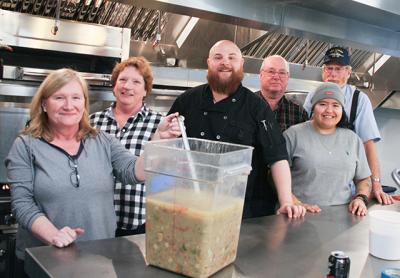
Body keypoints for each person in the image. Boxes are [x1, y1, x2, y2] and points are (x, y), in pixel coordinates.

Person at [5, 69, 180, 273]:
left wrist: (159, 139)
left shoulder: (102, 140)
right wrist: (54, 235)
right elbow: (22, 203)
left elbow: (134, 172)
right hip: (45, 258)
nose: (69, 105)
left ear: (84, 103)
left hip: (99, 255)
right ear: (44, 104)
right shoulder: (25, 145)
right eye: (59, 97)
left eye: (76, 97)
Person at [168, 40, 306, 219]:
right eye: (218, 57)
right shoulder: (187, 101)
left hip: (240, 211)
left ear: (241, 64)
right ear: (209, 63)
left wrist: (286, 201)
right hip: (189, 206)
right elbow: (166, 151)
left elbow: (278, 157)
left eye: (231, 58)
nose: (225, 62)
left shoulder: (257, 108)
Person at [303, 46, 393, 205]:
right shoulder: (312, 96)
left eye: (338, 69)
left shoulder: (360, 100)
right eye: (329, 68)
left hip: (346, 189)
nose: (333, 74)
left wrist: (376, 184)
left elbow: (368, 145)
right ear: (323, 71)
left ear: (348, 72)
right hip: (313, 187)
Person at [90, 57, 161, 236]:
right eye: (122, 80)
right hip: (96, 220)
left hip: (139, 221)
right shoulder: (93, 121)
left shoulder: (159, 124)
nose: (127, 86)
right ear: (114, 86)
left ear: (145, 90)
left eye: (136, 82)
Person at [284, 82, 371, 216]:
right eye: (323, 104)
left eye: (335, 105)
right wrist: (296, 203)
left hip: (343, 216)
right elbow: (273, 177)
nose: (329, 110)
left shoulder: (352, 139)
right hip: (298, 213)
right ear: (313, 107)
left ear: (342, 109)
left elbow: (364, 179)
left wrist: (360, 198)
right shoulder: (293, 135)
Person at [256, 55, 308, 132]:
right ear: (261, 75)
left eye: (282, 73)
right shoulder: (244, 105)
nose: (276, 77)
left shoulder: (299, 113)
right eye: (271, 71)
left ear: (288, 77)